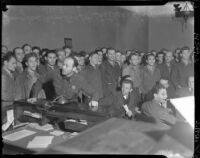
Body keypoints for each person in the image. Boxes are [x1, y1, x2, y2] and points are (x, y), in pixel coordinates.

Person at [31, 57, 99, 108]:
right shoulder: (55, 73)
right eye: (63, 64)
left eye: (67, 66)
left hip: (72, 107)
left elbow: (95, 92)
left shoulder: (79, 79)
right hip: (56, 105)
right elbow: (40, 81)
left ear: (74, 68)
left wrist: (94, 101)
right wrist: (34, 96)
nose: (63, 67)